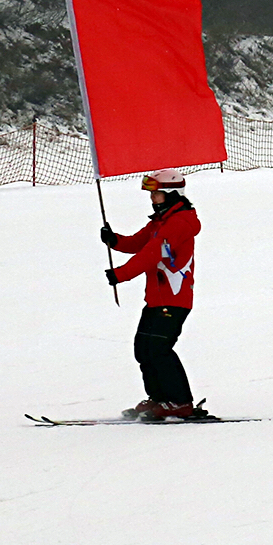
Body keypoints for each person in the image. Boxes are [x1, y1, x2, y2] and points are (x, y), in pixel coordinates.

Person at [99, 169, 207, 421]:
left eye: (156, 194)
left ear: (171, 194)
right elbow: (139, 243)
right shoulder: (161, 221)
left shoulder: (180, 223)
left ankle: (179, 402)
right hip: (157, 298)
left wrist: (121, 274)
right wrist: (114, 241)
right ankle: (159, 399)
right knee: (144, 349)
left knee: (159, 348)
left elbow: (152, 255)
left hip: (174, 297)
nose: (152, 199)